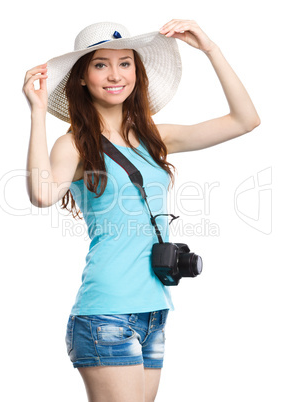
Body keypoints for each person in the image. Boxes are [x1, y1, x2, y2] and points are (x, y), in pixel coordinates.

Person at [23, 19, 260, 402]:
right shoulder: (76, 145)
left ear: (137, 70)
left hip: (153, 311)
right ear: (82, 77)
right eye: (100, 64)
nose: (115, 75)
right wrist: (36, 113)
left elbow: (245, 121)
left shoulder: (156, 137)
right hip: (107, 312)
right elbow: (41, 194)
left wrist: (211, 49)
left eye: (125, 63)